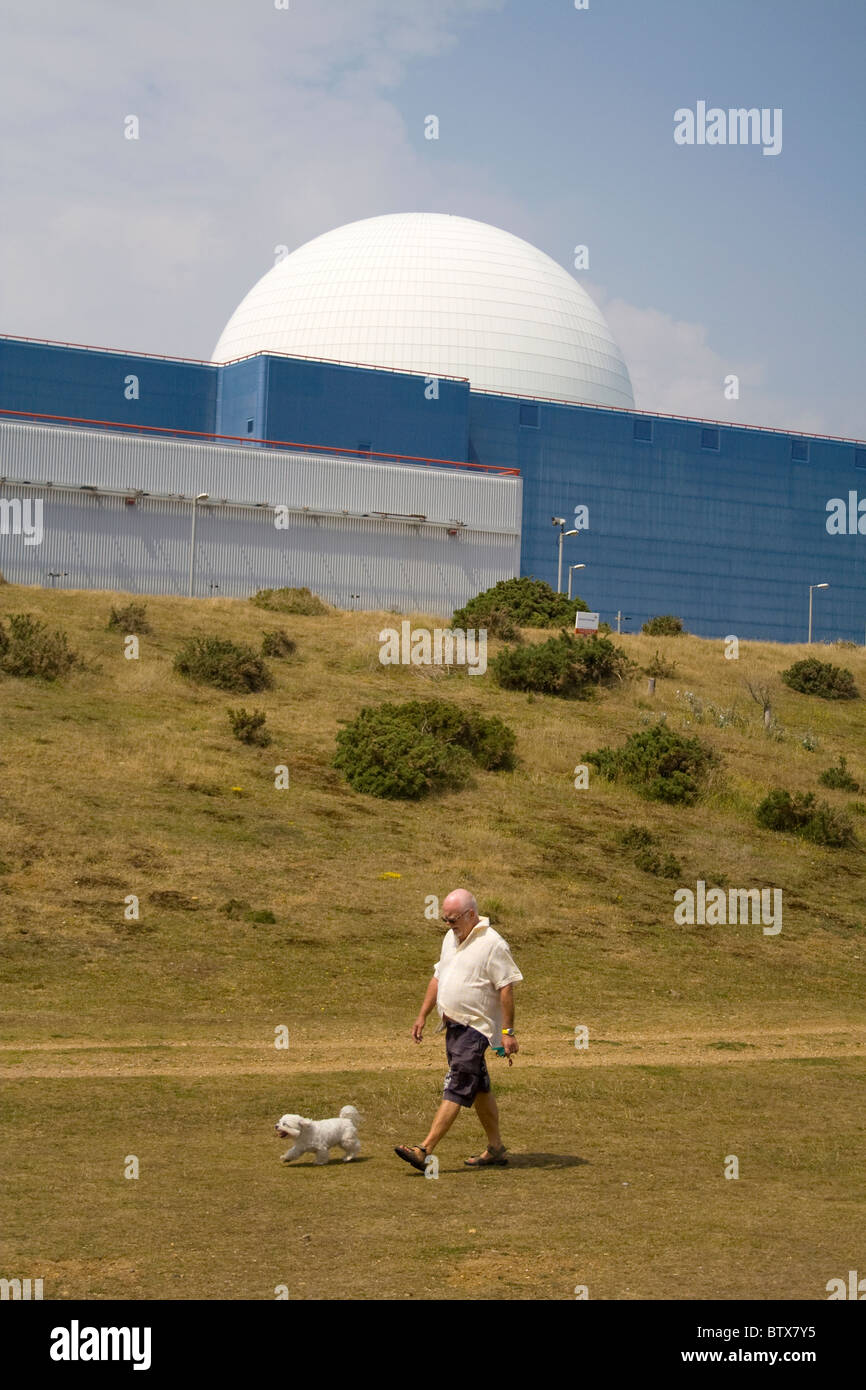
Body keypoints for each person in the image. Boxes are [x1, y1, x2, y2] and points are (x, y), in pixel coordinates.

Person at [395, 888, 523, 1171]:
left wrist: (508, 1031)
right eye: (445, 919)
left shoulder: (493, 944)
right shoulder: (450, 939)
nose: (448, 925)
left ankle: (424, 1149)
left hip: (474, 1029)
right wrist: (422, 1015)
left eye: (452, 920)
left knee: (458, 1083)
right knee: (478, 1088)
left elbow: (506, 988)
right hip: (452, 1027)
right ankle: (496, 1149)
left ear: (471, 915)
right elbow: (438, 977)